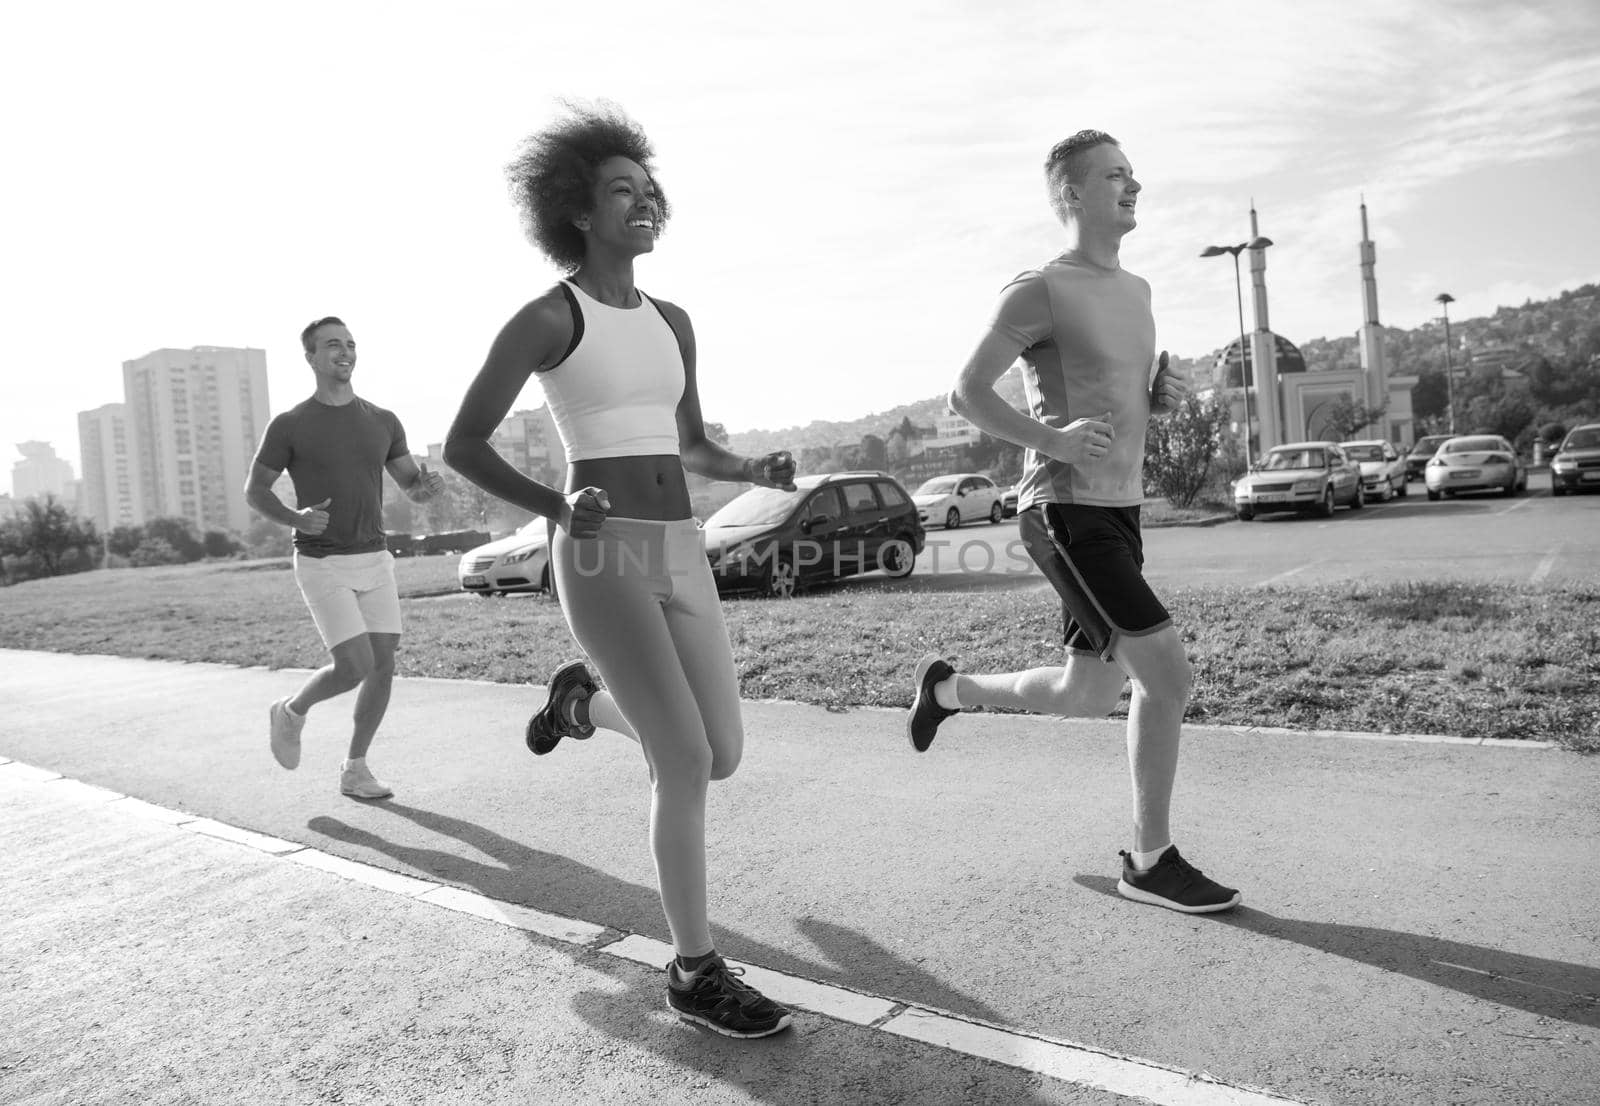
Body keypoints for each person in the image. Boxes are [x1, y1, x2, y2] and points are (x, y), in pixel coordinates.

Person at [443, 101, 798, 1038]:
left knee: (722, 752)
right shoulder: (546, 318)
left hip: (679, 545)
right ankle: (692, 971)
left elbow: (688, 444)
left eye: (648, 191)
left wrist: (750, 468)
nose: (642, 205)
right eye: (619, 193)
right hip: (600, 552)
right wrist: (557, 506)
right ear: (576, 212)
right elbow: (462, 444)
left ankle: (578, 707)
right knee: (679, 760)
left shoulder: (674, 321)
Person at [906, 130, 1241, 914]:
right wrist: (1051, 440)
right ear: (1072, 197)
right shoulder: (1039, 288)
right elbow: (966, 392)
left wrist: (1154, 399)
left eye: (1133, 173)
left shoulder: (1140, 292)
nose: (1133, 184)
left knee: (1085, 692)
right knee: (1167, 675)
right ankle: (1150, 860)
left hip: (1117, 509)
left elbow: (1117, 393)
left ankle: (949, 690)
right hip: (1062, 509)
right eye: (1114, 174)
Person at [246, 316, 445, 800]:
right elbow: (255, 490)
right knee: (353, 664)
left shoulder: (382, 421)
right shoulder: (291, 424)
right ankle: (291, 711)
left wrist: (427, 489)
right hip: (321, 560)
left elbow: (412, 490)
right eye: (333, 345)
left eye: (351, 344)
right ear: (311, 357)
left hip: (374, 556)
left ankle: (355, 768)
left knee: (383, 664)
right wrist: (296, 518)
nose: (345, 352)